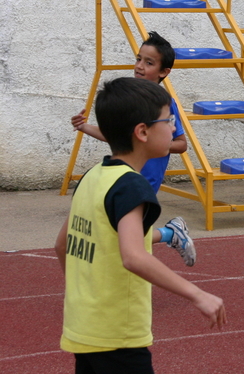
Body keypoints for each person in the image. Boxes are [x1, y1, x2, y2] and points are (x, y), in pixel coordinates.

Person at [55, 77, 226, 373]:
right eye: (168, 120)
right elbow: (133, 256)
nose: (173, 128)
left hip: (83, 328)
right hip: (118, 336)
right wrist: (197, 294)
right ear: (143, 131)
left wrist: (85, 296)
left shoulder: (92, 177)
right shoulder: (131, 186)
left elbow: (61, 246)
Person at [70, 31, 195, 266]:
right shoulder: (129, 99)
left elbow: (181, 144)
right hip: (122, 173)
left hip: (144, 179)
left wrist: (155, 142)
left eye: (148, 63)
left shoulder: (164, 105)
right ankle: (171, 234)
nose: (139, 66)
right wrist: (85, 127)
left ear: (163, 72)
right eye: (138, 59)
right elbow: (118, 137)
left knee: (127, 237)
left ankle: (166, 240)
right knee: (122, 233)